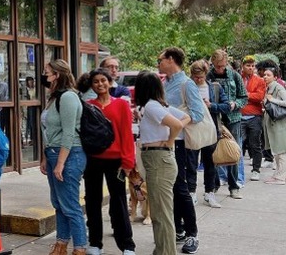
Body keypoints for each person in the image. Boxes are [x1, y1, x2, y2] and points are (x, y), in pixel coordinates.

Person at [134, 71, 190, 255]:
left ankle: (165, 252)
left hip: (159, 158)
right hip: (159, 158)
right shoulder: (157, 105)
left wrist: (170, 140)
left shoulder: (151, 106)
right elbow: (186, 117)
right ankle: (162, 250)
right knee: (160, 212)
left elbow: (177, 124)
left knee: (161, 214)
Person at [82, 68, 136, 255]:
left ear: (110, 81)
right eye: (95, 81)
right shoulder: (88, 105)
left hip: (116, 161)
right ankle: (95, 243)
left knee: (119, 202)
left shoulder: (121, 105)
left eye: (103, 80)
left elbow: (127, 135)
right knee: (92, 201)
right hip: (93, 160)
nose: (100, 84)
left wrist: (128, 162)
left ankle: (127, 245)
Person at [156, 47, 202, 254]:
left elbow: (198, 113)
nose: (158, 63)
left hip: (181, 143)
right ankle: (179, 229)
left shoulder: (186, 83)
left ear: (171, 60)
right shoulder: (164, 83)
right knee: (170, 187)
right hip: (165, 142)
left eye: (161, 60)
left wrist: (179, 124)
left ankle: (193, 233)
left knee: (180, 187)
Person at [39, 60, 87, 255]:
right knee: (58, 203)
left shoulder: (68, 97)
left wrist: (60, 164)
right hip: (53, 153)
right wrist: (45, 157)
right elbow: (49, 130)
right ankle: (61, 244)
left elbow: (68, 133)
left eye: (46, 72)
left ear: (57, 75)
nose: (44, 75)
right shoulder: (54, 97)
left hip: (68, 154)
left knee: (70, 205)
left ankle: (80, 248)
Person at [206, 49, 247, 198]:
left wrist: (235, 104)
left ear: (227, 63)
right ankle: (214, 184)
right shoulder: (208, 76)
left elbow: (244, 97)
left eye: (222, 66)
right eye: (217, 66)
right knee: (212, 151)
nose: (219, 69)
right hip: (214, 118)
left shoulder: (235, 76)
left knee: (234, 151)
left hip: (233, 118)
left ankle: (233, 185)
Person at [189, 60, 229, 208]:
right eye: (195, 76)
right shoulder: (188, 87)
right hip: (192, 130)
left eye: (201, 76)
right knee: (191, 163)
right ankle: (192, 193)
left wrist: (211, 105)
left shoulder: (214, 88)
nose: (198, 79)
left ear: (206, 74)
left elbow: (226, 106)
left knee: (210, 163)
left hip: (210, 130)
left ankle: (209, 192)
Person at [258, 65, 286, 185]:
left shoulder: (278, 87)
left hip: (279, 123)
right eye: (264, 74)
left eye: (268, 75)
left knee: (281, 149)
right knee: (278, 149)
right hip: (273, 123)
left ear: (275, 77)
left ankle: (280, 177)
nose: (265, 77)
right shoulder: (269, 88)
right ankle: (285, 175)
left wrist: (272, 100)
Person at [239, 55, 267, 182]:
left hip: (254, 116)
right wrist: (250, 95)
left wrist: (245, 95)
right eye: (248, 65)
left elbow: (260, 96)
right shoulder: (238, 78)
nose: (250, 68)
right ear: (242, 66)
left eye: (252, 66)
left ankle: (256, 170)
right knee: (238, 144)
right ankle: (235, 172)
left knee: (255, 144)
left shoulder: (260, 80)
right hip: (240, 116)